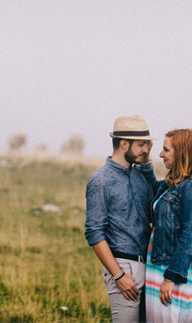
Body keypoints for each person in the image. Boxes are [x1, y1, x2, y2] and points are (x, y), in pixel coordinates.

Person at [84, 115, 156, 322]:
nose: (146, 149)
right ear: (124, 143)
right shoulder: (100, 181)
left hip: (150, 265)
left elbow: (160, 206)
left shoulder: (140, 174)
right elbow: (94, 233)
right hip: (123, 267)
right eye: (142, 145)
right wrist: (119, 276)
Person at [145, 128, 192, 322]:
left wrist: (171, 277)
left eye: (166, 150)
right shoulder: (172, 183)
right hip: (160, 265)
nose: (161, 154)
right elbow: (149, 190)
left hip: (176, 270)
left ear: (182, 153)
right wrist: (144, 159)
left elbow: (191, 234)